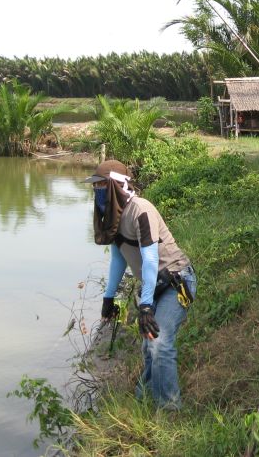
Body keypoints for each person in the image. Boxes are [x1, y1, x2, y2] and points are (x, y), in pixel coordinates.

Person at [84, 159, 196, 410]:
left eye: (102, 185)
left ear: (117, 185)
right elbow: (118, 258)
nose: (97, 191)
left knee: (159, 342)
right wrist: (108, 298)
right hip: (152, 286)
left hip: (175, 281)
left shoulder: (141, 210)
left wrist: (145, 306)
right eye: (95, 186)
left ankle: (169, 410)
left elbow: (150, 259)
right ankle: (144, 400)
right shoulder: (113, 215)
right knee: (148, 347)